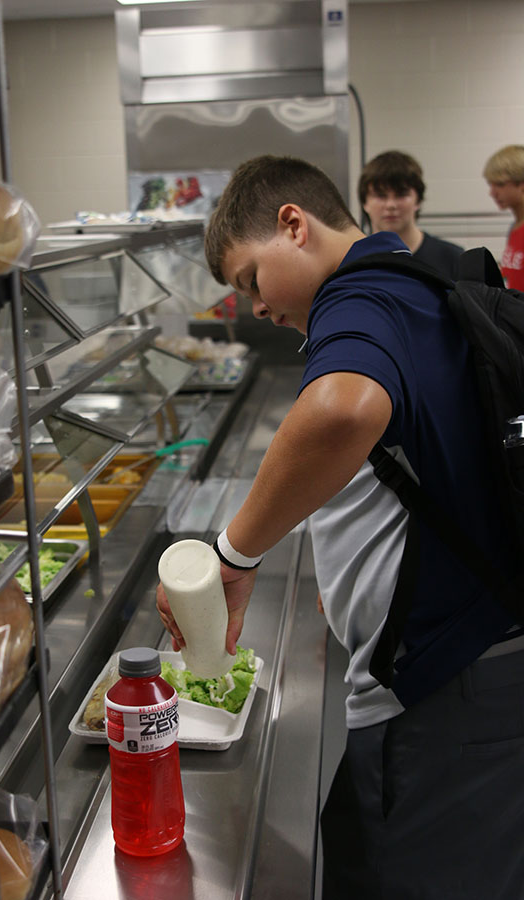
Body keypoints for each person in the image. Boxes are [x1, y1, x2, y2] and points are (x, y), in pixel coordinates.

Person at [156, 155, 524, 899]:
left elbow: (343, 410)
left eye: (250, 280)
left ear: (293, 225)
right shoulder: (410, 281)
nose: (254, 308)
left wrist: (234, 553)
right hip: (477, 665)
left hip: (447, 687)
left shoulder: (355, 298)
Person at [359, 149, 464, 279]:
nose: (391, 205)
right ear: (365, 203)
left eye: (401, 194)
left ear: (418, 200)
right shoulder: (354, 262)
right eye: (381, 196)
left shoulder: (453, 259)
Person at [483, 144, 524, 290]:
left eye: (499, 184)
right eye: (491, 185)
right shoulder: (515, 228)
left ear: (522, 184)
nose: (492, 193)